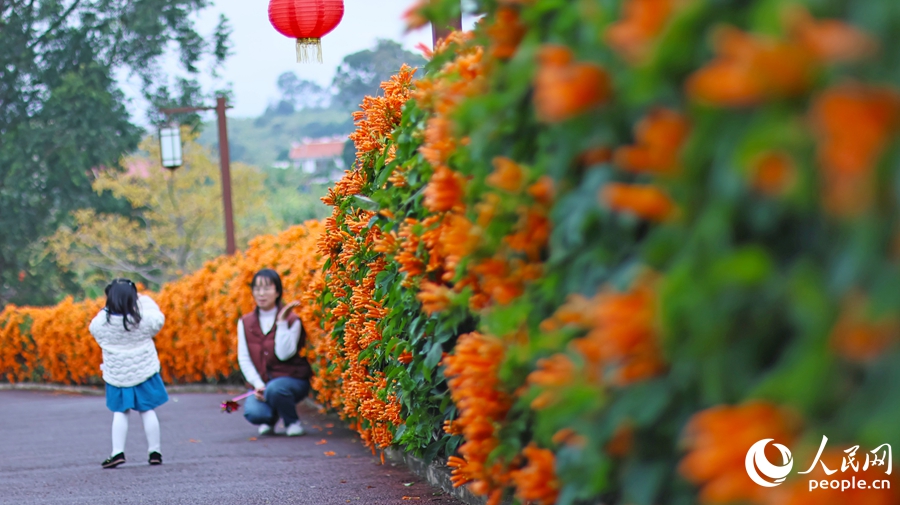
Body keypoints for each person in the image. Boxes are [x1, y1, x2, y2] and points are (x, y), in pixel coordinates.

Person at [89, 278, 168, 469]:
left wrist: (107, 309)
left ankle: (117, 452)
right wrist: (143, 299)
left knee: (120, 412)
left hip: (118, 376)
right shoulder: (141, 320)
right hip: (144, 371)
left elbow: (93, 327)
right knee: (147, 410)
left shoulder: (103, 323)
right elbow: (158, 319)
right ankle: (154, 451)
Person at [237, 269, 311, 436]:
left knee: (276, 389)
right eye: (257, 289)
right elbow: (244, 358)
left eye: (267, 288)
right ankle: (270, 419)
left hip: (292, 381)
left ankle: (292, 422)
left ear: (277, 291)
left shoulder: (292, 320)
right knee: (255, 413)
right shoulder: (245, 322)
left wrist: (282, 322)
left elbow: (284, 354)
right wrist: (258, 385)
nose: (261, 293)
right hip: (264, 384)